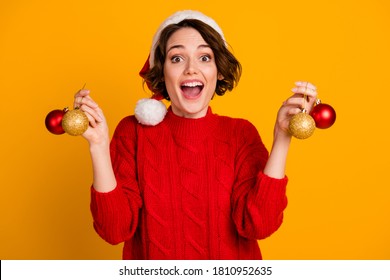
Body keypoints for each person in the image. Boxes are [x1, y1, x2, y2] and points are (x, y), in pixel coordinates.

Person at [74, 10, 317, 260]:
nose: (191, 69)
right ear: (162, 71)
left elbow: (260, 226)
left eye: (204, 57)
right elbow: (114, 231)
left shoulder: (241, 134)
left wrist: (282, 138)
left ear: (218, 71)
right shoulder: (133, 132)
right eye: (177, 58)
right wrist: (99, 147)